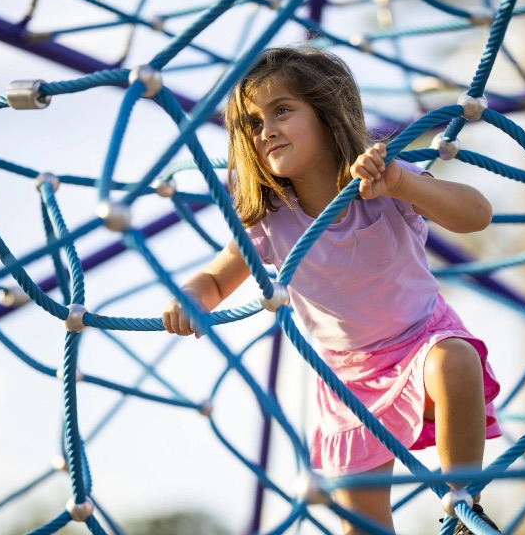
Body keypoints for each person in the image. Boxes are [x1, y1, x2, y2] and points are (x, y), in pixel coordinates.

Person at [163, 46, 502, 535]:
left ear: (325, 112)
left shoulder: (385, 182)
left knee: (454, 361)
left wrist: (403, 183)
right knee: (361, 525)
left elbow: (476, 214)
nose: (268, 130)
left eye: (282, 110)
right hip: (347, 378)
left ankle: (462, 503)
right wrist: (191, 299)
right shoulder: (272, 219)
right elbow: (217, 277)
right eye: (254, 124)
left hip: (421, 341)